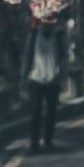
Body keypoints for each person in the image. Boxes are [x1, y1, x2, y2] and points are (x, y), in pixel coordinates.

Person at [23, 12, 66, 152]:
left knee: (51, 112)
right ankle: (34, 142)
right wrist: (23, 77)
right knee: (36, 112)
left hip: (53, 79)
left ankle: (48, 139)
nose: (48, 22)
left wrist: (62, 75)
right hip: (36, 78)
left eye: (50, 19)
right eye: (45, 19)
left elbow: (63, 56)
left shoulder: (59, 36)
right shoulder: (34, 35)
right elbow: (27, 57)